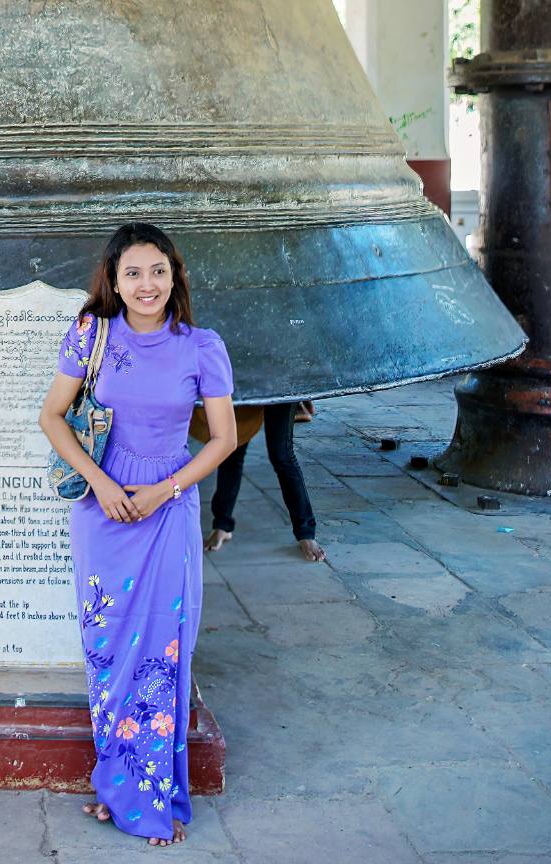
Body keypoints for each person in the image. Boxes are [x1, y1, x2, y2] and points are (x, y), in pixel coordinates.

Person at [38, 225, 238, 849]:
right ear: (113, 279)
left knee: (160, 652)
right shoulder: (90, 335)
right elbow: (51, 416)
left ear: (174, 276)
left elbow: (225, 439)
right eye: (133, 273)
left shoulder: (202, 347)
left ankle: (148, 794)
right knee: (108, 652)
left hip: (167, 509)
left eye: (157, 271)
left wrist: (166, 490)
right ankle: (119, 781)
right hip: (105, 510)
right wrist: (98, 482)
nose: (146, 285)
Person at [205, 402, 325, 563]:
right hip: (241, 380)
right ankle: (222, 524)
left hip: (281, 380)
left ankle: (306, 532)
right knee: (233, 447)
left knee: (282, 454)